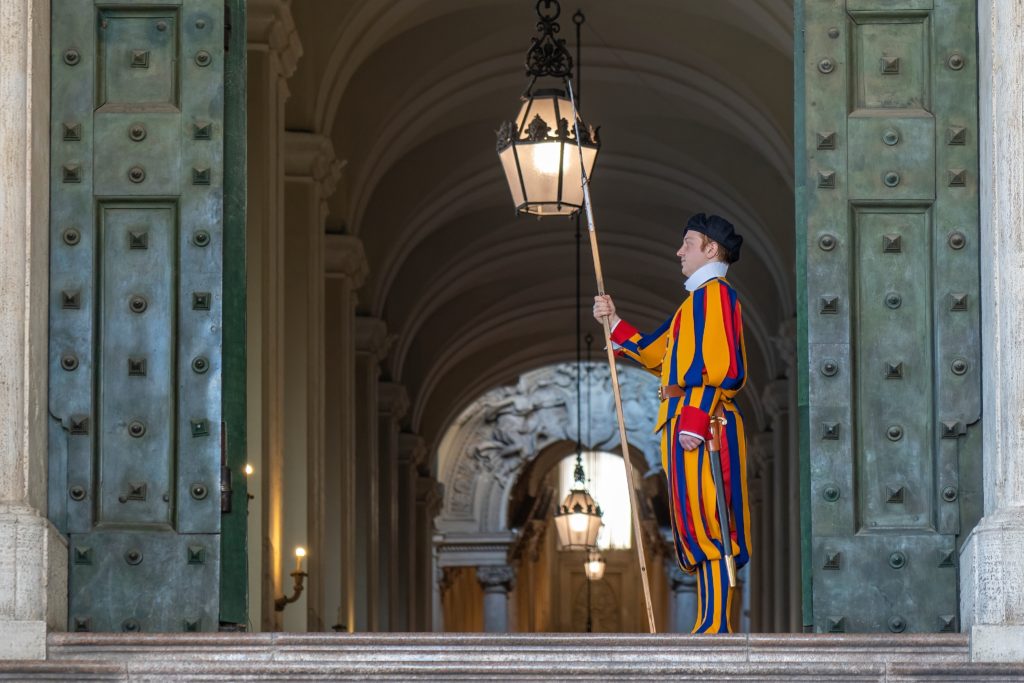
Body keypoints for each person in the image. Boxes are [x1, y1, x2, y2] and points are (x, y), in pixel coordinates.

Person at [592, 212, 751, 634]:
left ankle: (717, 623)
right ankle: (708, 619)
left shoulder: (715, 295)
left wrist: (696, 419)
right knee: (692, 523)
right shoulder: (693, 303)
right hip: (688, 421)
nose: (679, 252)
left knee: (710, 518)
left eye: (688, 243)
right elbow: (657, 354)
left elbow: (720, 367)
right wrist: (613, 321)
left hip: (706, 423)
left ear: (711, 249)